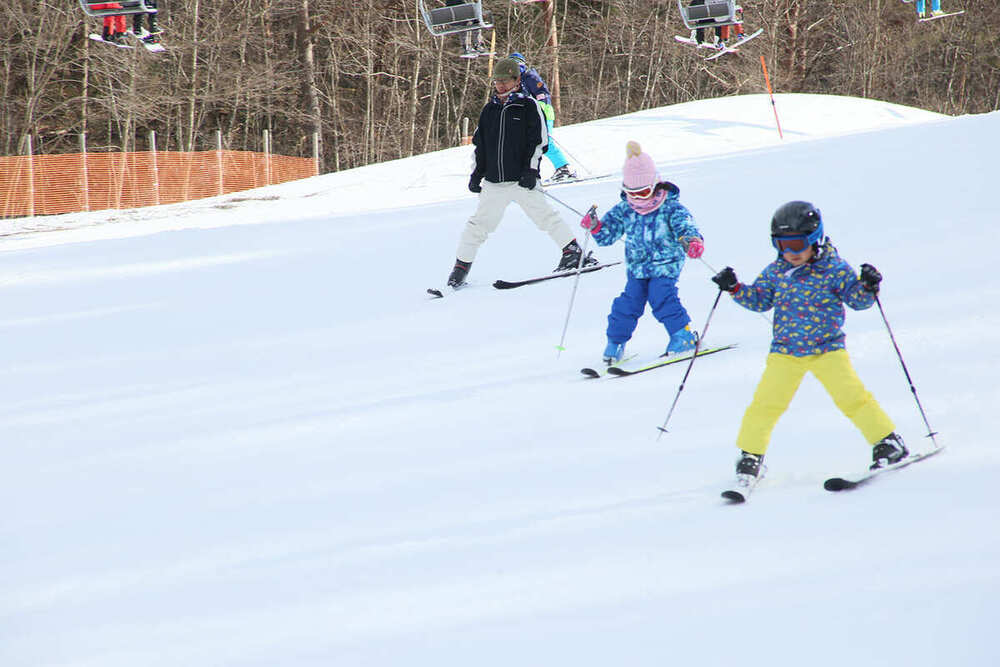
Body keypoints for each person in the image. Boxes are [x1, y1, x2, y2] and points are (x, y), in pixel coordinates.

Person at [710, 201, 909, 490]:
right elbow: (760, 300)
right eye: (781, 245)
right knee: (765, 405)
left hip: (827, 349)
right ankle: (751, 455)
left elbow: (857, 301)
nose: (789, 252)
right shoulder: (776, 271)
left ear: (814, 239)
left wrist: (868, 286)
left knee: (852, 398)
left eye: (796, 244)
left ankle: (888, 442)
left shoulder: (835, 269)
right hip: (786, 352)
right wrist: (735, 288)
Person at [445, 58, 597, 289]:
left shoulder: (528, 106)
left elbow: (539, 142)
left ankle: (573, 252)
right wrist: (476, 174)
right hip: (495, 182)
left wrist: (531, 170)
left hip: (522, 180)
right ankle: (460, 269)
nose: (501, 85)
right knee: (478, 225)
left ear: (517, 81)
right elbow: (481, 146)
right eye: (497, 81)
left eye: (505, 81)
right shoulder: (489, 110)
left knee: (545, 217)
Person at [579, 141, 704, 364]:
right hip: (637, 268)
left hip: (666, 264)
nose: (638, 199)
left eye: (644, 192)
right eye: (631, 193)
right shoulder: (626, 209)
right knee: (628, 303)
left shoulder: (671, 207)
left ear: (656, 184)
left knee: (661, 297)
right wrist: (596, 226)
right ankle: (615, 343)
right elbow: (607, 235)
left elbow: (687, 227)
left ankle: (682, 336)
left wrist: (692, 241)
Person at [509, 52, 577, 183]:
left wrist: (538, 109)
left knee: (544, 141)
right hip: (529, 116)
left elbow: (543, 93)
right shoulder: (514, 83)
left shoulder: (529, 76)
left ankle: (564, 168)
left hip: (543, 112)